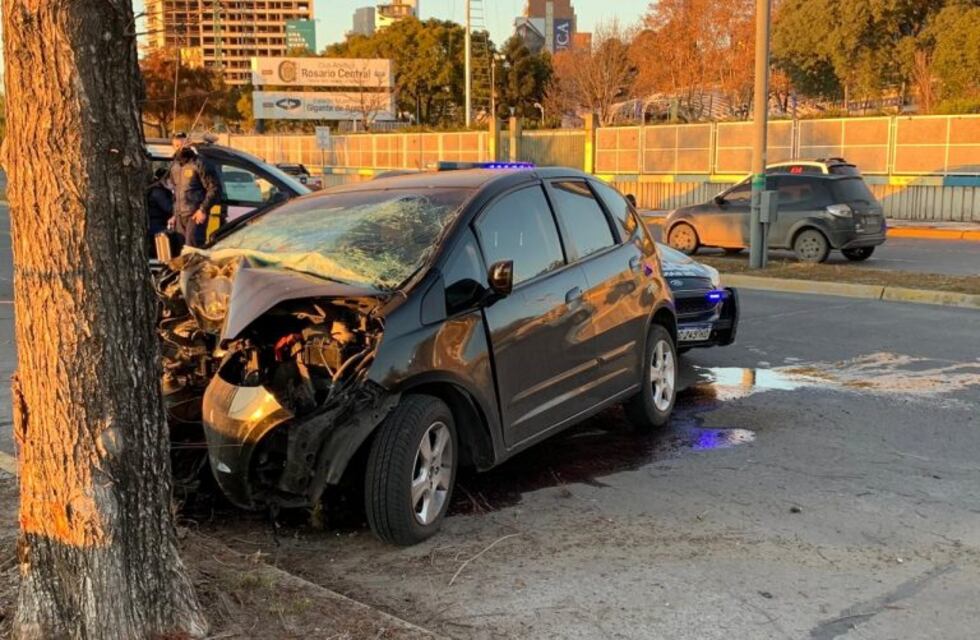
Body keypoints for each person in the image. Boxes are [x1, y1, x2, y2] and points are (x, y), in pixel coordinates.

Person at [169, 132, 221, 248]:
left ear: (189, 144)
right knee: (181, 251)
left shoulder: (200, 163)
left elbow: (214, 188)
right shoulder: (174, 166)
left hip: (195, 214)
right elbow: (175, 192)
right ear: (173, 147)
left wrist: (203, 209)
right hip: (179, 216)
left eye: (183, 144)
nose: (181, 148)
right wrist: (174, 214)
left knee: (192, 249)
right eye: (177, 146)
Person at [145, 167, 174, 258]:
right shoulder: (158, 193)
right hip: (157, 227)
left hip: (157, 224)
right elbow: (169, 208)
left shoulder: (157, 190)